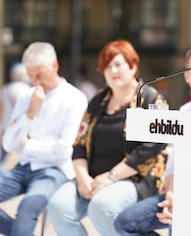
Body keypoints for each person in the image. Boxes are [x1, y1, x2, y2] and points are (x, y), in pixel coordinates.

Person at [0, 42, 88, 236]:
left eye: (39, 75)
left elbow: (63, 149)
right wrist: (30, 113)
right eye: (30, 76)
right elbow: (8, 143)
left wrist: (28, 145)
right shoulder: (26, 97)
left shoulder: (74, 98)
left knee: (27, 208)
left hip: (54, 171)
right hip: (22, 168)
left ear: (54, 66)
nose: (35, 81)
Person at [114, 44, 191, 235]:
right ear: (187, 77)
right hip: (181, 194)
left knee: (180, 225)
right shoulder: (184, 112)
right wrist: (172, 194)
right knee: (125, 222)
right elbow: (173, 163)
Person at [47, 39, 169, 236]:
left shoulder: (151, 99)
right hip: (93, 178)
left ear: (133, 66)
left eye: (118, 65)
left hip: (134, 179)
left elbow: (151, 148)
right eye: (107, 66)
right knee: (58, 206)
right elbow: (79, 143)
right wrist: (82, 178)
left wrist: (111, 177)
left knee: (102, 207)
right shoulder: (98, 100)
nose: (113, 71)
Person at [0, 62, 31, 174]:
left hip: (5, 127)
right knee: (24, 156)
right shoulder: (27, 90)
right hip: (21, 129)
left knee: (2, 157)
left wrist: (3, 120)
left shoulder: (5, 89)